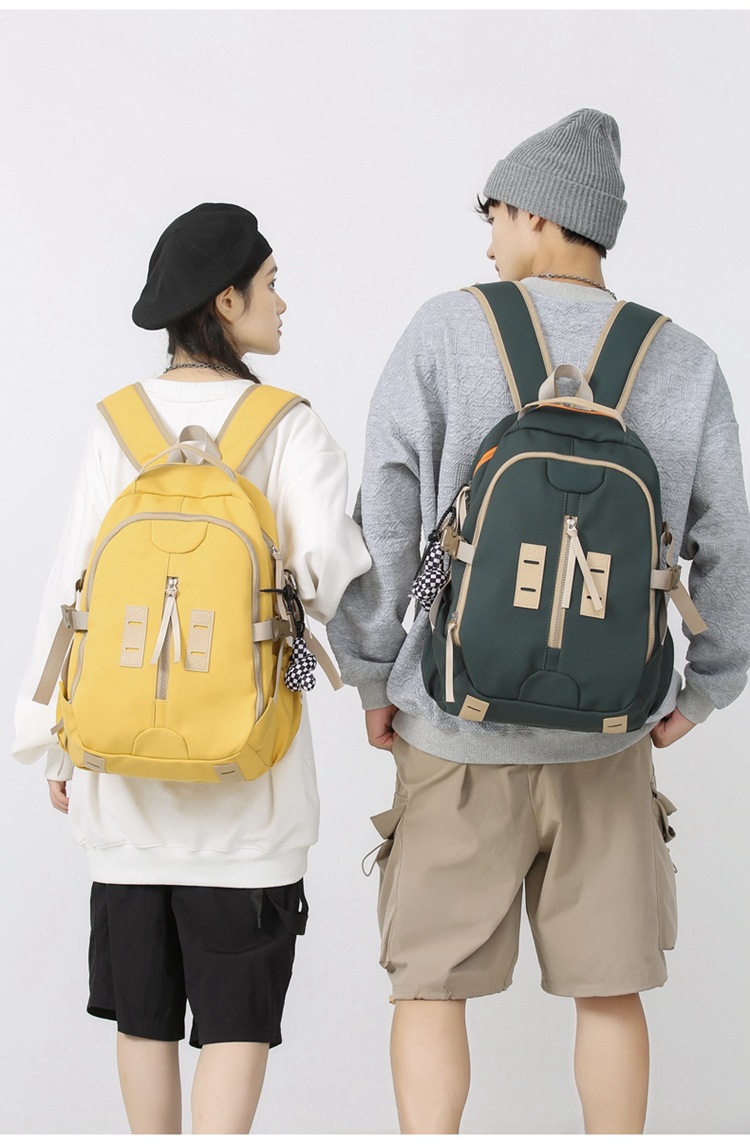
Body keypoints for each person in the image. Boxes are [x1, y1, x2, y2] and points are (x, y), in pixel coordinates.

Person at [328, 109, 750, 1134]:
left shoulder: (446, 329)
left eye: (495, 216)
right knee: (609, 990)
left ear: (537, 214)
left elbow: (388, 517)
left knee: (431, 988)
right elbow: (729, 543)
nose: (488, 244)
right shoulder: (685, 359)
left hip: (452, 729)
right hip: (609, 735)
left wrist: (375, 672)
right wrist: (706, 687)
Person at [13, 202, 371, 1135]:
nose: (283, 302)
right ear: (226, 299)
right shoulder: (288, 426)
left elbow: (70, 589)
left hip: (121, 784)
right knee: (236, 1018)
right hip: (250, 787)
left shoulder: (118, 423)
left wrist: (49, 740)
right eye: (271, 284)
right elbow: (328, 574)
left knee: (142, 1015)